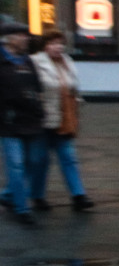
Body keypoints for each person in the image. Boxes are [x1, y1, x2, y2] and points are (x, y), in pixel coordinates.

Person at [29, 29, 94, 212]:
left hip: (65, 118)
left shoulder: (67, 62)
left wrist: (77, 102)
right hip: (43, 120)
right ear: (44, 46)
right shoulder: (35, 62)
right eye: (53, 43)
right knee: (40, 160)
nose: (58, 47)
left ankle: (78, 196)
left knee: (68, 157)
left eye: (60, 43)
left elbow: (73, 87)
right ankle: (36, 196)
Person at [0, 22, 44, 225]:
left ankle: (8, 195)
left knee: (33, 163)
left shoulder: (27, 61)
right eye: (21, 35)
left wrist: (39, 108)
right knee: (16, 166)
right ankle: (22, 209)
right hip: (9, 124)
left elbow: (37, 88)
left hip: (31, 121)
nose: (26, 38)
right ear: (8, 39)